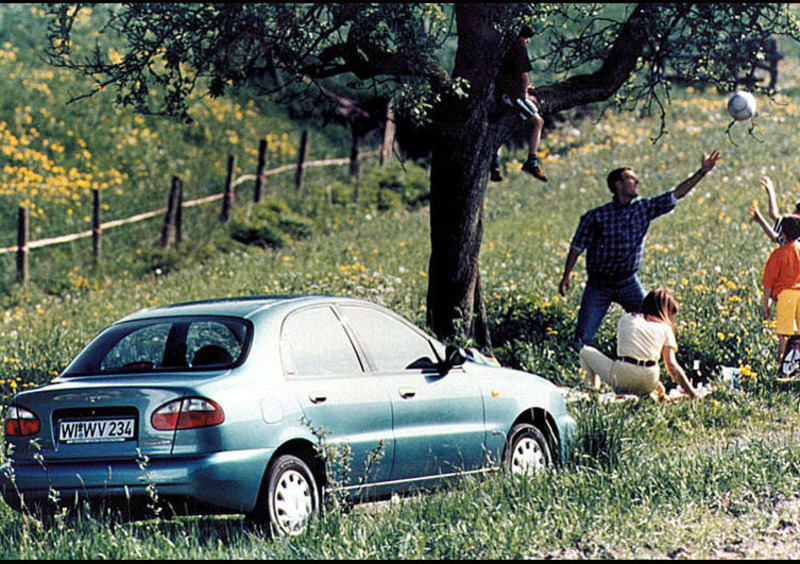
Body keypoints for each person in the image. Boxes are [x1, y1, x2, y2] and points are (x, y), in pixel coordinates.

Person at [559, 150, 721, 347]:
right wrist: (566, 275)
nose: (637, 182)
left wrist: (702, 172)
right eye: (630, 178)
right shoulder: (595, 217)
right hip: (598, 285)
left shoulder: (643, 209)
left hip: (628, 282)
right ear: (617, 184)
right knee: (583, 338)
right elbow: (576, 247)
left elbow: (676, 195)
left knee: (655, 323)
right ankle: (581, 371)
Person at [579, 288, 697, 400]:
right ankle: (650, 393)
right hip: (649, 382)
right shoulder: (666, 329)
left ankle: (592, 394)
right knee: (650, 372)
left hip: (622, 378)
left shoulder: (626, 318)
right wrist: (692, 393)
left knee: (585, 351)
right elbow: (671, 365)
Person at [490, 25, 547, 183]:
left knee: (499, 124)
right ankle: (532, 161)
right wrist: (525, 94)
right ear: (524, 38)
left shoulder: (503, 47)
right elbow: (523, 76)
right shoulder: (519, 48)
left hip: (502, 92)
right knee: (538, 122)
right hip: (513, 95)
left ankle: (494, 163)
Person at [761, 214, 800, 364]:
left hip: (786, 296)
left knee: (784, 334)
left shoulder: (778, 254)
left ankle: (783, 365)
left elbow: (768, 284)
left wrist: (766, 307)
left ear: (783, 233)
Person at [748, 176, 800, 245]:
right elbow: (775, 237)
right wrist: (760, 220)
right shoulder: (791, 239)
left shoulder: (792, 237)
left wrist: (771, 192)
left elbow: (774, 215)